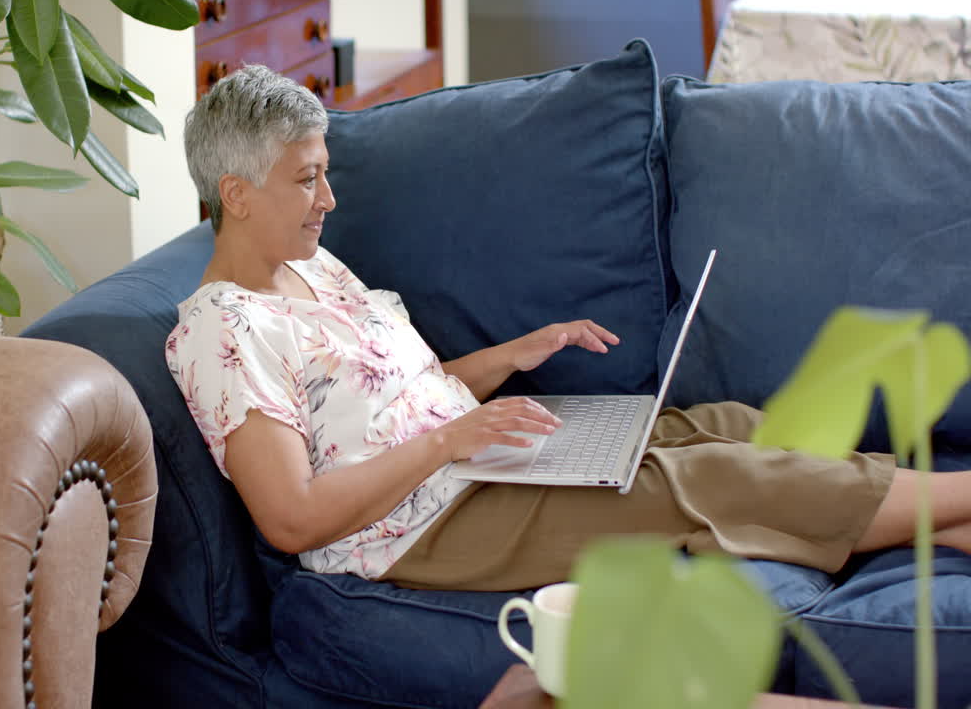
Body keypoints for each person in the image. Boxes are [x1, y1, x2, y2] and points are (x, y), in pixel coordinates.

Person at [165, 65, 971, 592]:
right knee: (703, 482)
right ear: (235, 195)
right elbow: (293, 517)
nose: (329, 199)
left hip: (469, 471)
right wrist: (452, 443)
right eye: (307, 180)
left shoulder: (312, 267)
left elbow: (401, 394)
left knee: (715, 428)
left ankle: (940, 523)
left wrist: (516, 355)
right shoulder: (224, 330)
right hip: (417, 529)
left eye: (326, 174)